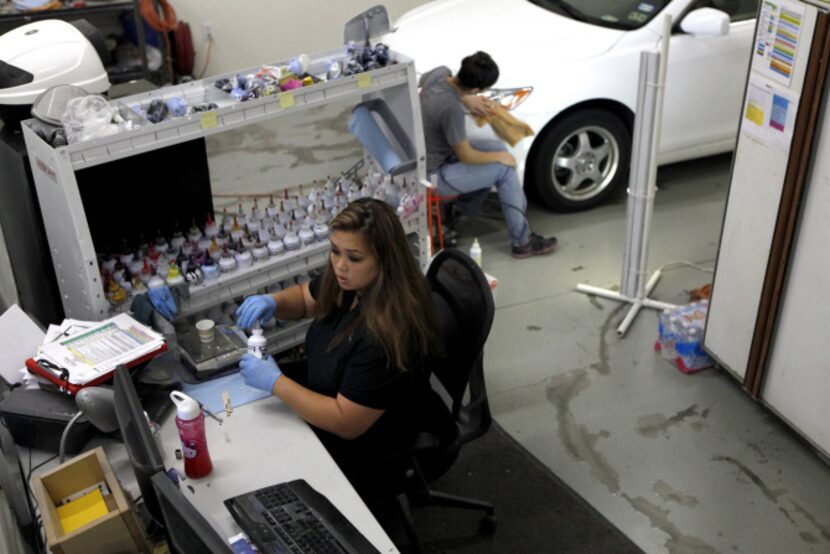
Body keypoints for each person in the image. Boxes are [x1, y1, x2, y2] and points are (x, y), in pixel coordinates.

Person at [234, 198, 449, 496]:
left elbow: (345, 422)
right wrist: (273, 302)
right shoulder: (351, 284)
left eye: (354, 257)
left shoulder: (386, 334)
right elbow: (307, 299)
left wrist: (277, 383)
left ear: (385, 260)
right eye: (335, 251)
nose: (340, 265)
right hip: (334, 391)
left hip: (370, 438)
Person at [420, 51, 557, 258]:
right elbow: (466, 155)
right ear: (477, 89)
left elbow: (425, 87)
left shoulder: (439, 73)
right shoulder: (451, 111)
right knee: (505, 169)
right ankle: (523, 242)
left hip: (426, 154)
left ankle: (458, 209)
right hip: (432, 176)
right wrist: (500, 160)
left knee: (496, 148)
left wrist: (466, 98)